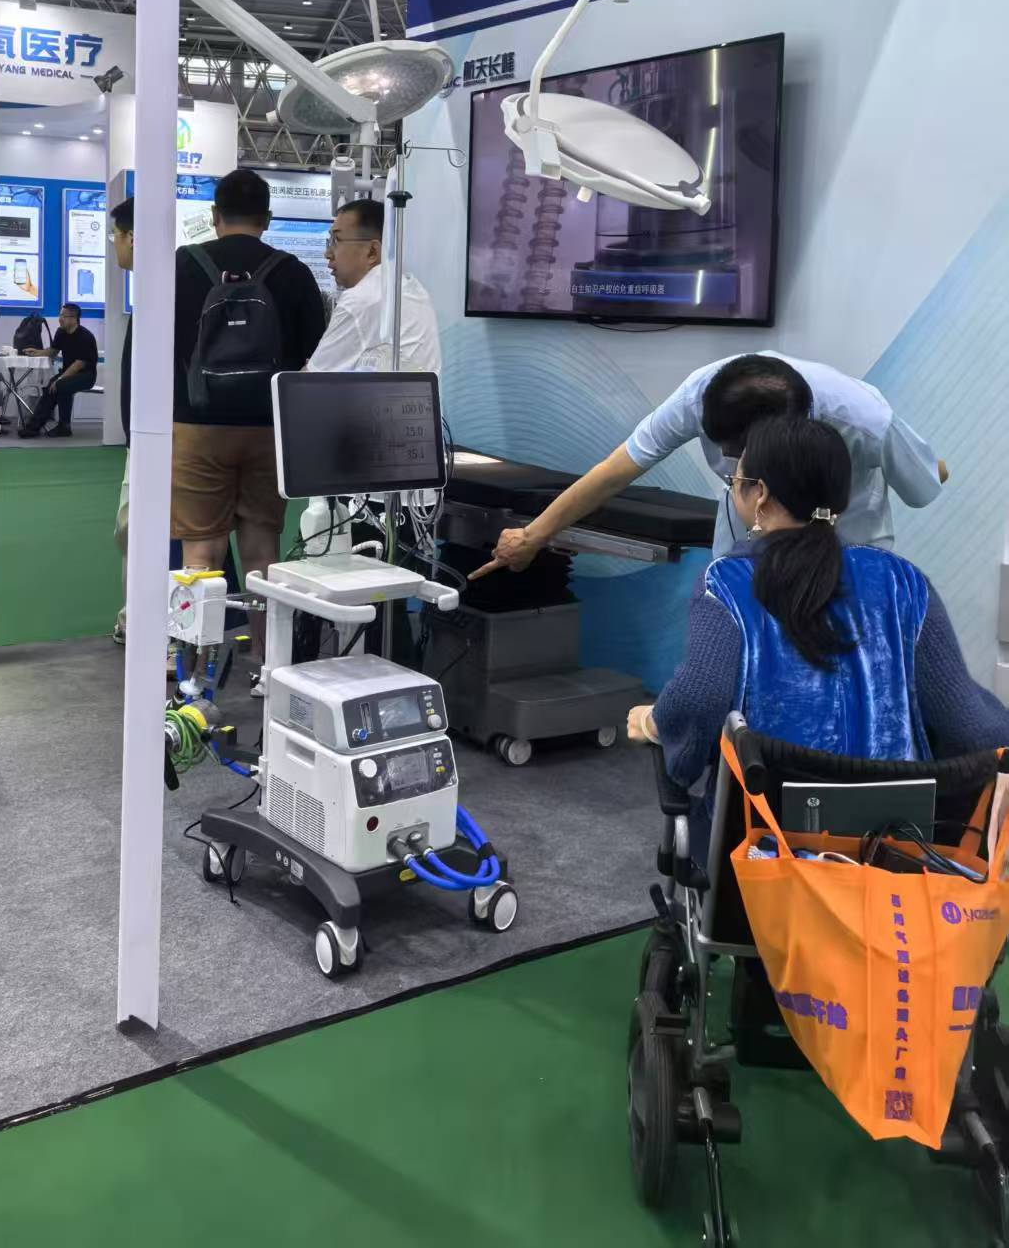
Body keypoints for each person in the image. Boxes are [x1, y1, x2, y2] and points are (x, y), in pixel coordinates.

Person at [627, 415, 1009, 846]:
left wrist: (654, 724)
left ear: (760, 494)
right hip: (897, 851)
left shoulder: (725, 584)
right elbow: (972, 727)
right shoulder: (902, 582)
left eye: (736, 481)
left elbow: (699, 696)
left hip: (763, 852)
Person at [474, 352, 948, 578]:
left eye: (750, 472)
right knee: (728, 639)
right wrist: (532, 536)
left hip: (847, 546)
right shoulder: (701, 394)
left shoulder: (864, 421)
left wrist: (913, 462)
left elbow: (928, 479)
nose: (744, 483)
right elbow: (615, 470)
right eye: (737, 471)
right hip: (743, 548)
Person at [172, 169, 326, 655]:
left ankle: (195, 668)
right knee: (262, 549)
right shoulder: (293, 272)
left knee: (200, 551)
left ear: (214, 215)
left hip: (196, 426)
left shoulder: (182, 266)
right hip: (268, 428)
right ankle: (266, 661)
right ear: (268, 218)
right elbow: (313, 351)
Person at [308, 198, 441, 374]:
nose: (327, 253)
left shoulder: (362, 300)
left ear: (372, 251)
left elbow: (309, 380)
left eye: (337, 240)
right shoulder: (414, 289)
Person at [18, 302, 99, 438]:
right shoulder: (61, 332)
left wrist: (60, 379)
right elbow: (53, 351)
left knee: (60, 385)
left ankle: (63, 426)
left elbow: (78, 364)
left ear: (74, 319)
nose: (60, 319)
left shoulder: (85, 337)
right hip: (69, 373)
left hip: (86, 376)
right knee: (51, 386)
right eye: (60, 315)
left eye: (63, 316)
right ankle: (34, 427)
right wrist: (36, 352)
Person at [110, 196, 134, 645]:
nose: (114, 244)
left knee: (135, 529)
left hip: (157, 440)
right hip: (157, 437)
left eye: (114, 236)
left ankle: (141, 620)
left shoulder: (163, 291)